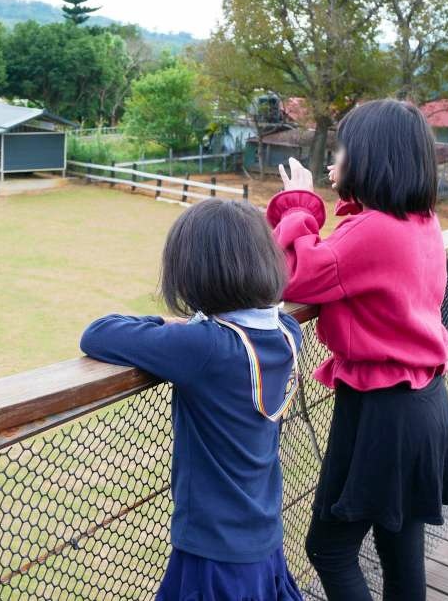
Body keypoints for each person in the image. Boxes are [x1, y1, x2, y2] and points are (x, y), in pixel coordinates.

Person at [268, 99, 448, 601]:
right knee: (400, 548)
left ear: (371, 158)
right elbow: (340, 258)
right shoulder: (419, 221)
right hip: (422, 402)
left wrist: (297, 203)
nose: (334, 159)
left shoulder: (374, 231)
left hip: (384, 411)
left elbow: (296, 278)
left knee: (329, 549)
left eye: (341, 149)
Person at [81, 198, 304, 601]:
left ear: (197, 274)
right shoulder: (287, 332)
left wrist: (170, 323)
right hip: (263, 538)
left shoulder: (205, 347)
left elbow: (98, 333)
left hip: (213, 552)